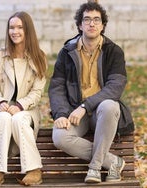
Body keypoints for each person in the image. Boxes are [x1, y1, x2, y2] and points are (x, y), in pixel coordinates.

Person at [48, 2, 134, 183]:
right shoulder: (67, 52)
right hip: (75, 113)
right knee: (60, 137)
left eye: (96, 20)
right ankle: (113, 162)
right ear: (80, 25)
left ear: (103, 25)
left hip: (102, 113)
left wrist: (85, 106)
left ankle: (95, 168)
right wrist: (61, 113)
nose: (92, 24)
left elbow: (115, 87)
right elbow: (56, 87)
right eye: (86, 19)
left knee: (110, 105)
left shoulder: (114, 51)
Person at [0, 11, 48, 186]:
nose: (15, 31)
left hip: (27, 110)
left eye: (20, 27)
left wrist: (20, 105)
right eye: (11, 27)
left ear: (28, 30)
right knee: (3, 118)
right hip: (1, 108)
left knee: (18, 120)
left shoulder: (39, 57)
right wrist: (0, 102)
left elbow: (37, 92)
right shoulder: (0, 56)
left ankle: (34, 170)